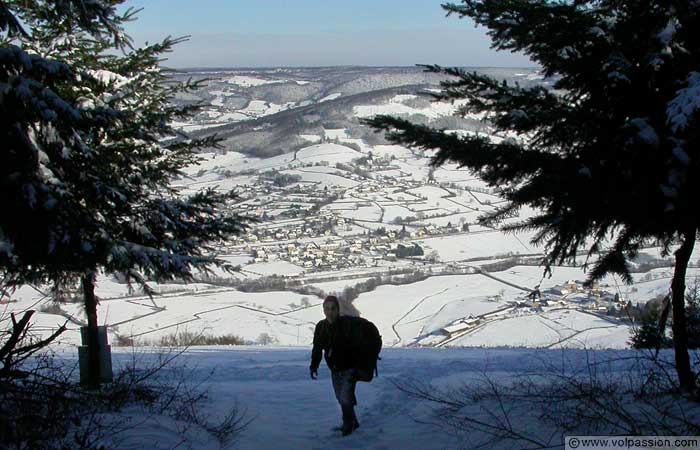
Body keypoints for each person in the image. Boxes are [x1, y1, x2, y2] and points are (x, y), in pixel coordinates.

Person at [309, 295, 361, 436]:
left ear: (338, 309)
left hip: (350, 368)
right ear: (323, 310)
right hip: (335, 369)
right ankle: (353, 422)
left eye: (332, 308)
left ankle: (347, 424)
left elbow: (356, 346)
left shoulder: (346, 325)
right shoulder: (321, 327)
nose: (329, 311)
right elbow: (317, 348)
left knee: (345, 398)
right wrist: (314, 366)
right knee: (341, 398)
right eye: (326, 309)